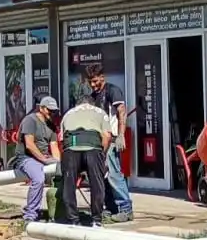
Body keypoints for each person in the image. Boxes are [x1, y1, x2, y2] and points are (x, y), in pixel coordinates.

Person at [84, 63, 133, 222]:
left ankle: (125, 209)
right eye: (90, 82)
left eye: (95, 81)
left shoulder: (112, 90)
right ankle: (111, 208)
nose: (93, 85)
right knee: (103, 176)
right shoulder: (94, 96)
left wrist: (121, 135)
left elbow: (121, 112)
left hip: (111, 140)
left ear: (102, 77)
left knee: (114, 175)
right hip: (99, 142)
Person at [56, 94, 109, 227]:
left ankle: (73, 219)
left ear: (77, 104)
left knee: (69, 184)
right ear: (92, 104)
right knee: (97, 184)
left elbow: (61, 139)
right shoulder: (100, 112)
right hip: (93, 146)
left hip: (71, 147)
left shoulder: (68, 114)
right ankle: (96, 220)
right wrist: (102, 154)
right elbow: (107, 136)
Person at [16, 95, 61, 223]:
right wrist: (44, 160)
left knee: (64, 172)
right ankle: (30, 215)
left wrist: (59, 163)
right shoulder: (30, 120)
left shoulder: (51, 125)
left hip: (43, 158)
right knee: (38, 179)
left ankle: (61, 212)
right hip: (26, 158)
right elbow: (29, 145)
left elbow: (54, 147)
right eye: (49, 110)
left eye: (54, 111)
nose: (52, 113)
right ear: (41, 108)